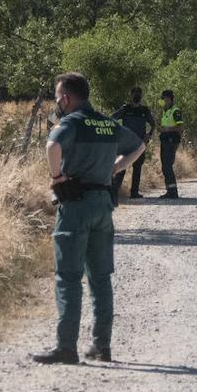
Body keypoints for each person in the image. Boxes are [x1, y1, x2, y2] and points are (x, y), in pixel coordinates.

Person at [32, 72, 145, 365]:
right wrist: (114, 170)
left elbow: (52, 146)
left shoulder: (70, 122)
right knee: (100, 278)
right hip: (103, 204)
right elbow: (139, 146)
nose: (58, 103)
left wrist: (57, 177)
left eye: (58, 98)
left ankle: (66, 347)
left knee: (68, 277)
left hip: (75, 206)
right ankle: (101, 346)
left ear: (66, 98)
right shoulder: (107, 124)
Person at [111, 87, 154, 203]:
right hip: (125, 143)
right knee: (121, 167)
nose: (136, 95)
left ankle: (134, 192)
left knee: (137, 168)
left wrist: (148, 135)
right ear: (131, 95)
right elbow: (112, 118)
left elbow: (153, 124)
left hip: (139, 143)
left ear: (141, 96)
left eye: (138, 93)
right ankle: (114, 193)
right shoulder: (125, 109)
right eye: (134, 93)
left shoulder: (144, 110)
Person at [157, 90, 183, 199]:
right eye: (163, 99)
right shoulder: (164, 111)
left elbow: (180, 127)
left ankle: (173, 192)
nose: (164, 101)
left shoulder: (175, 111)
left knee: (167, 166)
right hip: (164, 140)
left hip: (171, 141)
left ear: (171, 100)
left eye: (166, 99)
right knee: (165, 166)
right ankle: (170, 190)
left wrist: (166, 129)